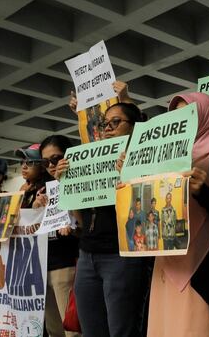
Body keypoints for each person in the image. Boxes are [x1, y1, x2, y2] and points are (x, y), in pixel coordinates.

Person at [139, 92, 209, 337]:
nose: (181, 122)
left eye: (188, 115)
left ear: (205, 117)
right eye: (175, 116)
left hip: (203, 264)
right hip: (167, 263)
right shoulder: (160, 159)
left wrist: (203, 193)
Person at [54, 103, 151, 337]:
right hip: (88, 254)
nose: (108, 128)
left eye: (116, 122)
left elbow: (147, 210)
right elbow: (81, 218)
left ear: (134, 126)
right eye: (105, 123)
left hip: (121, 256)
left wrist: (132, 173)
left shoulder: (144, 158)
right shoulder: (91, 162)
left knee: (122, 329)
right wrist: (66, 184)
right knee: (92, 329)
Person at [33, 136, 80, 337]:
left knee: (71, 328)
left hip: (67, 262)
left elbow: (84, 224)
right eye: (46, 162)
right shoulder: (43, 189)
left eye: (56, 158)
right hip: (44, 265)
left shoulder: (79, 181)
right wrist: (36, 209)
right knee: (54, 330)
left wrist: (73, 226)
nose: (51, 165)